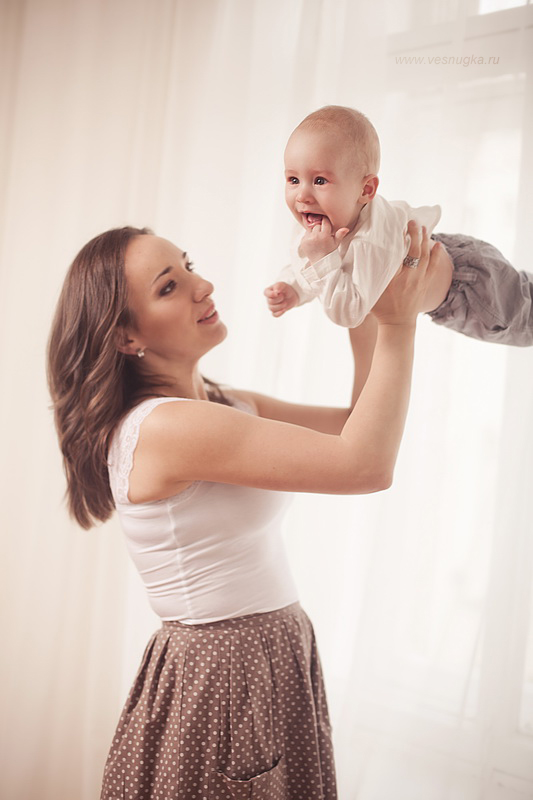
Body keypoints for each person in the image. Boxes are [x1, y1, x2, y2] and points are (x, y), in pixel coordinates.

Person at [47, 222, 451, 799]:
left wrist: (355, 290)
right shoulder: (165, 427)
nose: (203, 285)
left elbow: (360, 423)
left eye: (189, 265)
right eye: (168, 286)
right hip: (224, 672)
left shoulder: (227, 405)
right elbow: (365, 465)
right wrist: (398, 320)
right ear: (125, 337)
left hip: (269, 654)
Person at [265, 105, 533, 346]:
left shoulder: (370, 242)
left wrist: (322, 258)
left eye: (320, 181)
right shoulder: (317, 221)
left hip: (472, 289)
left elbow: (349, 313)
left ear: (365, 190)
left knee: (527, 323)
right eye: (293, 180)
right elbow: (307, 264)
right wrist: (293, 288)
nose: (302, 195)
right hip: (453, 271)